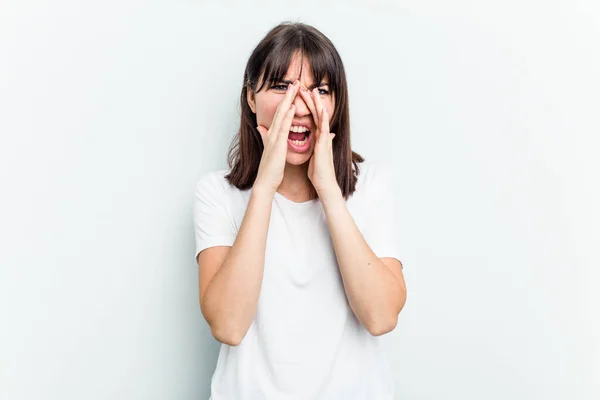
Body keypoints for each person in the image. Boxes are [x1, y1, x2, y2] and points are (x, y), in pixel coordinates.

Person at [193, 21, 407, 400]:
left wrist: (327, 189)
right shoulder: (217, 194)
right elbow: (228, 324)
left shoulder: (372, 186)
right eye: (281, 86)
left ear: (336, 104)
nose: (301, 104)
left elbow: (381, 317)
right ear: (250, 97)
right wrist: (264, 187)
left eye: (319, 90)